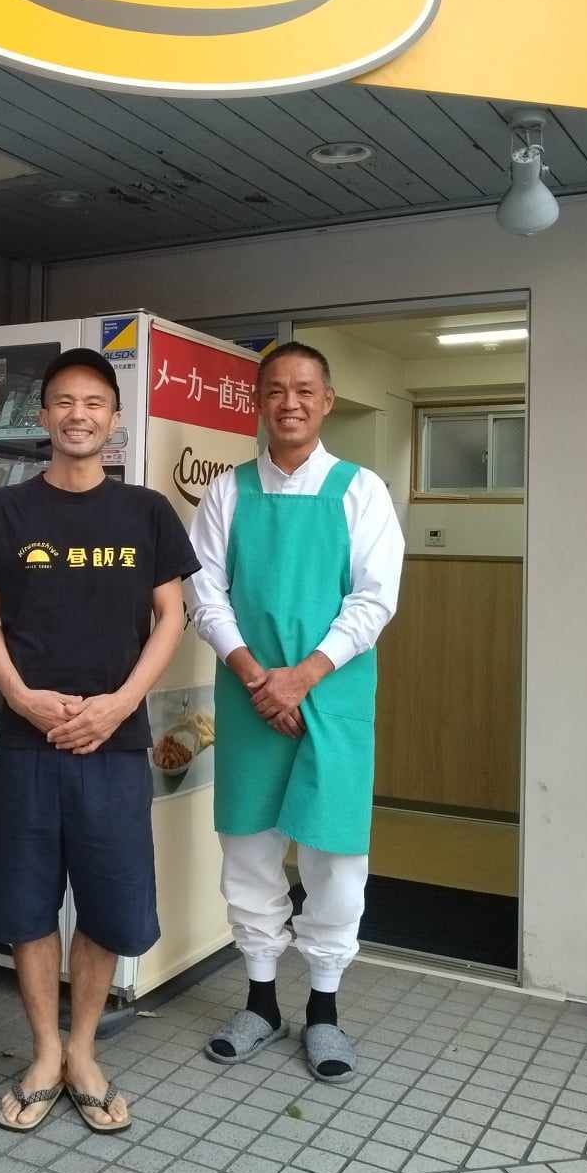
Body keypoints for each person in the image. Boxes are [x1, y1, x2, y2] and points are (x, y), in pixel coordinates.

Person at [0, 348, 198, 1134]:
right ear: (43, 415)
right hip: (29, 744)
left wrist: (121, 703)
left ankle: (84, 1050)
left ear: (114, 419)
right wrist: (20, 697)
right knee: (26, 903)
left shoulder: (147, 512)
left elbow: (171, 616)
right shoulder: (2, 511)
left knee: (107, 900)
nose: (78, 415)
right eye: (63, 401)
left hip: (114, 745)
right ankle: (44, 1052)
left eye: (94, 402)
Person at [186, 341, 404, 1083]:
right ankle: (258, 1002)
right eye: (275, 389)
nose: (290, 402)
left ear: (327, 400)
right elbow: (203, 593)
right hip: (249, 694)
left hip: (332, 697)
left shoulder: (360, 491)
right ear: (257, 401)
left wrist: (302, 678)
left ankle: (324, 1010)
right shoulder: (228, 491)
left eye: (305, 390)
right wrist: (257, 678)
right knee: (248, 848)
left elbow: (374, 599)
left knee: (333, 854)